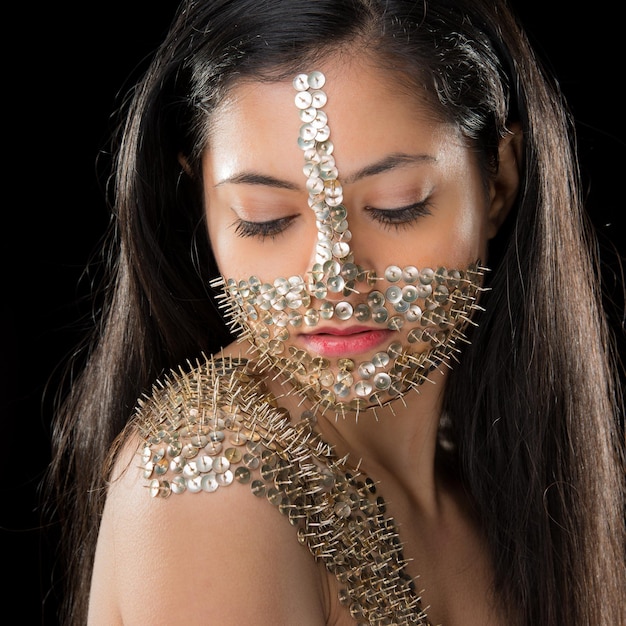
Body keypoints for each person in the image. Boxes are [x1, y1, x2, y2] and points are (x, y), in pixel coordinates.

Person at [47, 0, 626, 624]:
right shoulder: (212, 483)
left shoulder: (503, 467)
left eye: (397, 206)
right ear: (204, 208)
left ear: (498, 184)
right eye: (265, 219)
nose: (336, 280)